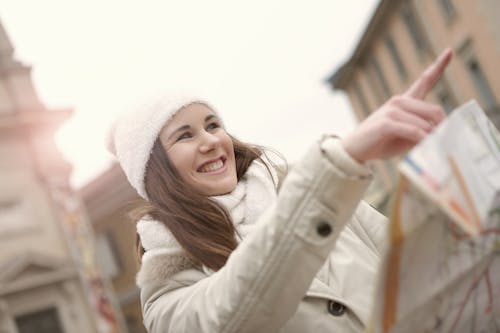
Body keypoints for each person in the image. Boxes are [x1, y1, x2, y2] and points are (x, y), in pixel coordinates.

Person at [107, 49, 452, 333]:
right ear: (156, 172)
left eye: (213, 125)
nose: (211, 141)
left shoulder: (305, 189)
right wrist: (341, 162)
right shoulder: (166, 295)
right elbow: (238, 307)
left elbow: (418, 265)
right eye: (185, 135)